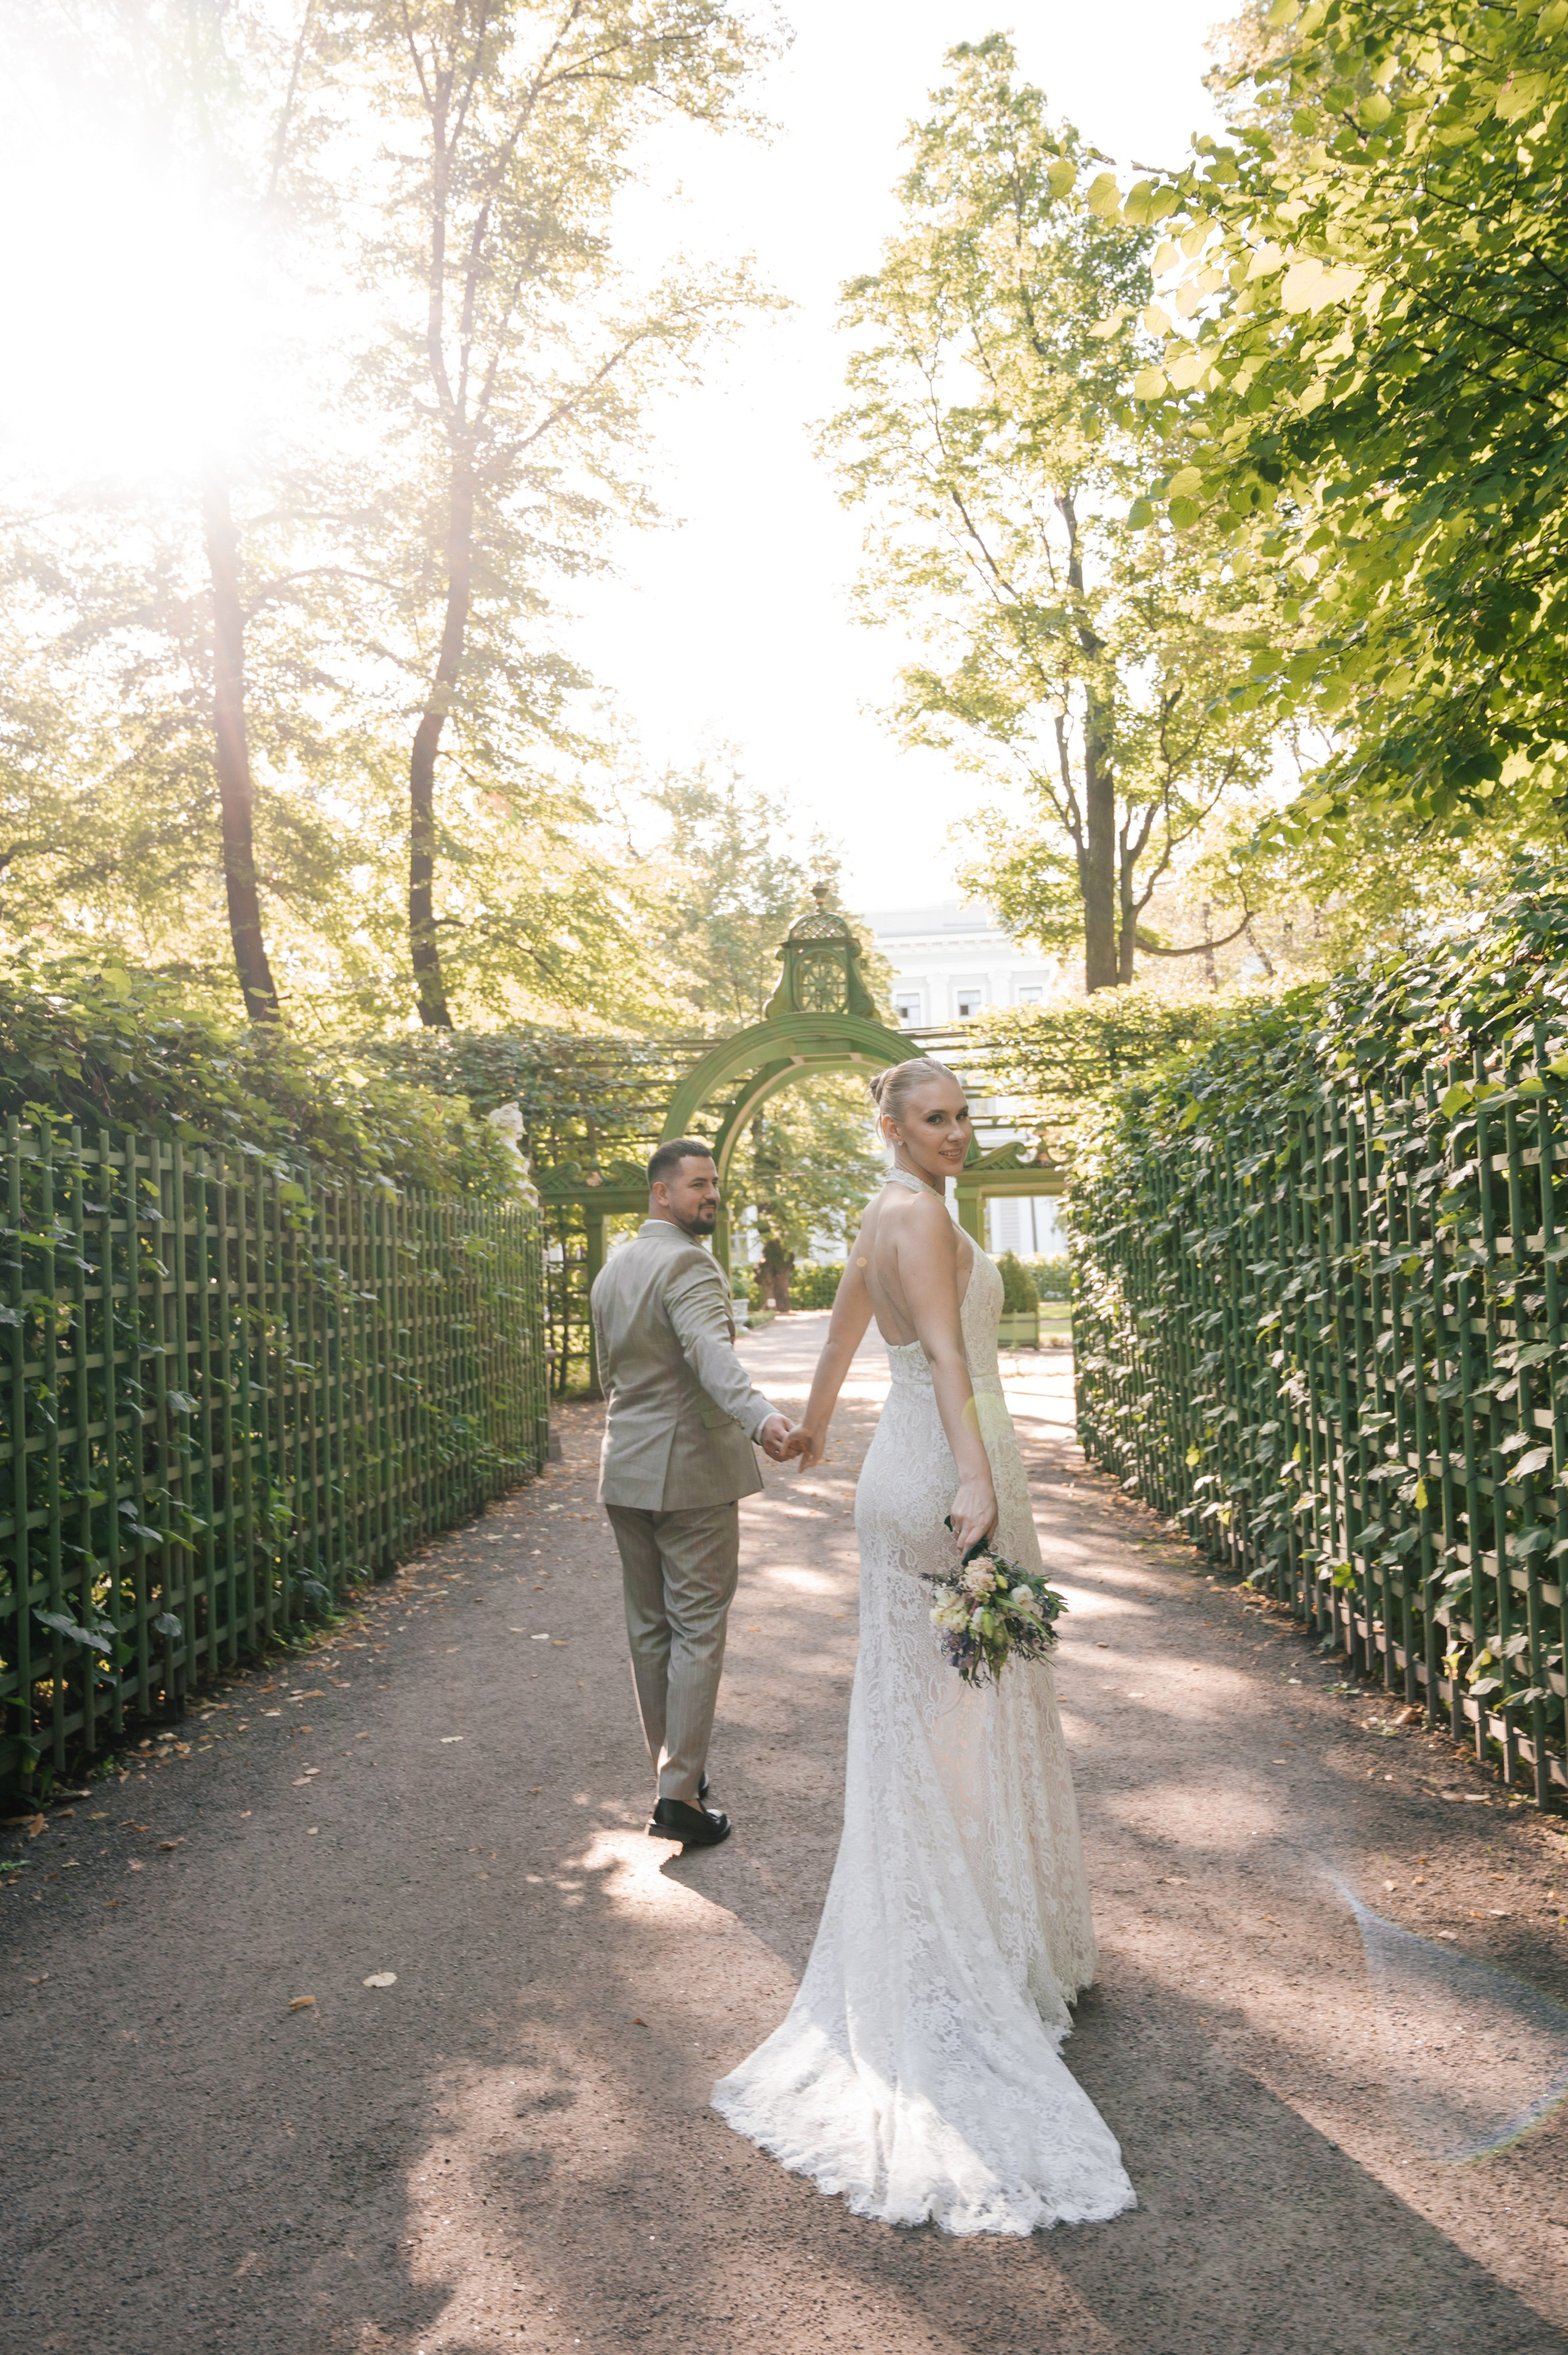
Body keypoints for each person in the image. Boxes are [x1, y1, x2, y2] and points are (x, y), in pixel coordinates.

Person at [712, 1057, 1136, 2234]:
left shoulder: (882, 1210)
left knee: (926, 1719)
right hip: (946, 1470)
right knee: (971, 1714)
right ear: (892, 1124)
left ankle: (959, 1925)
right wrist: (977, 1475)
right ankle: (978, 1947)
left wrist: (807, 1425)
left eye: (964, 1116)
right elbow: (951, 1361)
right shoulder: (928, 1219)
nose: (958, 1132)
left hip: (893, 1472)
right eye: (936, 1118)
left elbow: (853, 1316)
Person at [591, 1138, 796, 1850]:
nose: (710, 1194)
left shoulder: (613, 1267)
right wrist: (762, 1418)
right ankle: (678, 1793)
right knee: (698, 1627)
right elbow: (712, 1354)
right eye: (698, 1185)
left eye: (714, 1183)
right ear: (661, 1194)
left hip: (625, 1468)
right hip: (690, 1477)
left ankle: (676, 1770)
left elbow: (609, 1376)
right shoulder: (688, 1262)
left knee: (650, 1630)